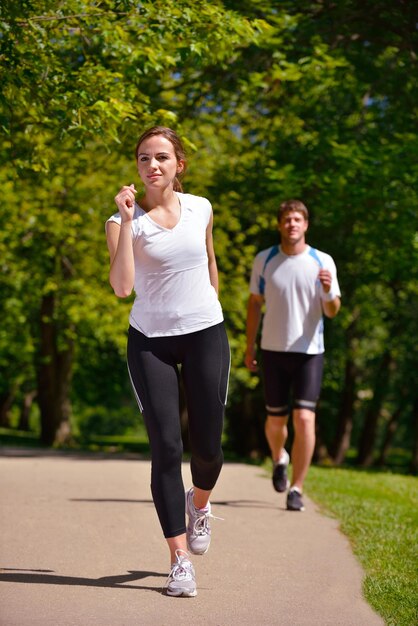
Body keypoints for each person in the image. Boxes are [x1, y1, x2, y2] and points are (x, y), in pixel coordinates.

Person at [106, 126, 230, 597]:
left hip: (205, 333)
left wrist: (210, 303)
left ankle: (199, 504)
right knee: (166, 447)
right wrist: (123, 218)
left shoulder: (202, 207)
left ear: (179, 164)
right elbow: (121, 287)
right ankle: (179, 562)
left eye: (161, 157)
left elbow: (210, 259)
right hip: (150, 341)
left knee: (209, 448)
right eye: (143, 158)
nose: (151, 165)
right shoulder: (123, 222)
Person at [245, 199, 341, 512]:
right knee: (276, 422)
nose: (292, 224)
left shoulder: (322, 261)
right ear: (280, 225)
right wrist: (249, 346)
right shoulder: (265, 259)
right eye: (287, 219)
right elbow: (255, 303)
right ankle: (278, 458)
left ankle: (297, 488)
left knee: (304, 418)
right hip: (272, 350)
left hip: (309, 352)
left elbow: (332, 310)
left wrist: (328, 291)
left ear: (306, 224)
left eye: (297, 219)